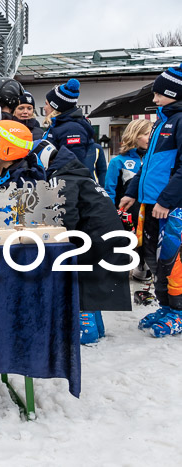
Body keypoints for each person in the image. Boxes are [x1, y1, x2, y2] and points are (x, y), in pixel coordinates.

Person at [37, 141, 131, 344]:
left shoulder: (61, 177)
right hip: (110, 235)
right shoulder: (79, 174)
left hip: (96, 237)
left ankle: (85, 328)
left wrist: (61, 241)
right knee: (92, 280)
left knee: (79, 280)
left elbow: (64, 213)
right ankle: (96, 326)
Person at [119, 63, 182, 337]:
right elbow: (148, 165)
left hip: (171, 207)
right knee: (153, 259)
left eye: (159, 94)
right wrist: (132, 192)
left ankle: (179, 311)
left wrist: (167, 200)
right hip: (152, 204)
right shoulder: (162, 121)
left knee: (173, 261)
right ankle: (167, 306)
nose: (154, 99)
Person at [103, 119, 153, 286]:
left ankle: (143, 267)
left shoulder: (153, 160)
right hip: (126, 214)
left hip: (150, 212)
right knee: (124, 244)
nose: (150, 137)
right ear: (135, 135)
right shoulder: (118, 161)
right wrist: (110, 214)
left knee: (147, 244)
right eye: (146, 134)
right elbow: (109, 190)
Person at [43, 79, 107, 184]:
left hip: (65, 186)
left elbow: (72, 163)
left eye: (46, 104)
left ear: (55, 106)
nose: (44, 108)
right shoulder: (59, 125)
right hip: (57, 182)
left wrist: (47, 173)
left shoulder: (72, 128)